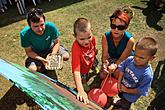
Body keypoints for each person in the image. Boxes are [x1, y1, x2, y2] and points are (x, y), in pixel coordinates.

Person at [112, 37, 158, 110]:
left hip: (130, 96)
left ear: (151, 58)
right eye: (135, 55)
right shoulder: (130, 59)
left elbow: (141, 90)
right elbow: (121, 69)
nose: (136, 59)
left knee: (126, 104)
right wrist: (119, 82)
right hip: (122, 87)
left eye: (141, 57)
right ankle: (120, 101)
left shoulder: (147, 75)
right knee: (121, 96)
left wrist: (126, 90)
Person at [20, 8, 69, 74]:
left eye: (42, 24)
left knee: (66, 56)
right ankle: (41, 66)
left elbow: (56, 43)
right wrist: (42, 59)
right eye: (35, 26)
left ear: (44, 22)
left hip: (50, 48)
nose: (40, 29)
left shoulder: (51, 27)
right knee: (32, 69)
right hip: (36, 53)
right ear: (29, 25)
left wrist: (53, 55)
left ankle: (46, 65)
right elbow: (29, 52)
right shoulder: (24, 34)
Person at [100, 6, 135, 79]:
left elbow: (122, 59)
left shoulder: (130, 40)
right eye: (113, 26)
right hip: (112, 58)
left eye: (120, 27)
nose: (116, 29)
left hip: (124, 59)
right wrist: (104, 64)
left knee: (117, 74)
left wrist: (115, 65)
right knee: (102, 75)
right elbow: (105, 56)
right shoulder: (105, 37)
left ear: (126, 27)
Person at [72, 18, 98, 104]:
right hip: (83, 68)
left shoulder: (92, 39)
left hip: (92, 58)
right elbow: (76, 70)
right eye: (82, 39)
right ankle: (84, 83)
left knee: (95, 63)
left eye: (89, 37)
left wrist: (95, 52)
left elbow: (93, 46)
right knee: (84, 76)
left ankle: (94, 68)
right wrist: (80, 90)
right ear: (75, 37)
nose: (87, 41)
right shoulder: (76, 48)